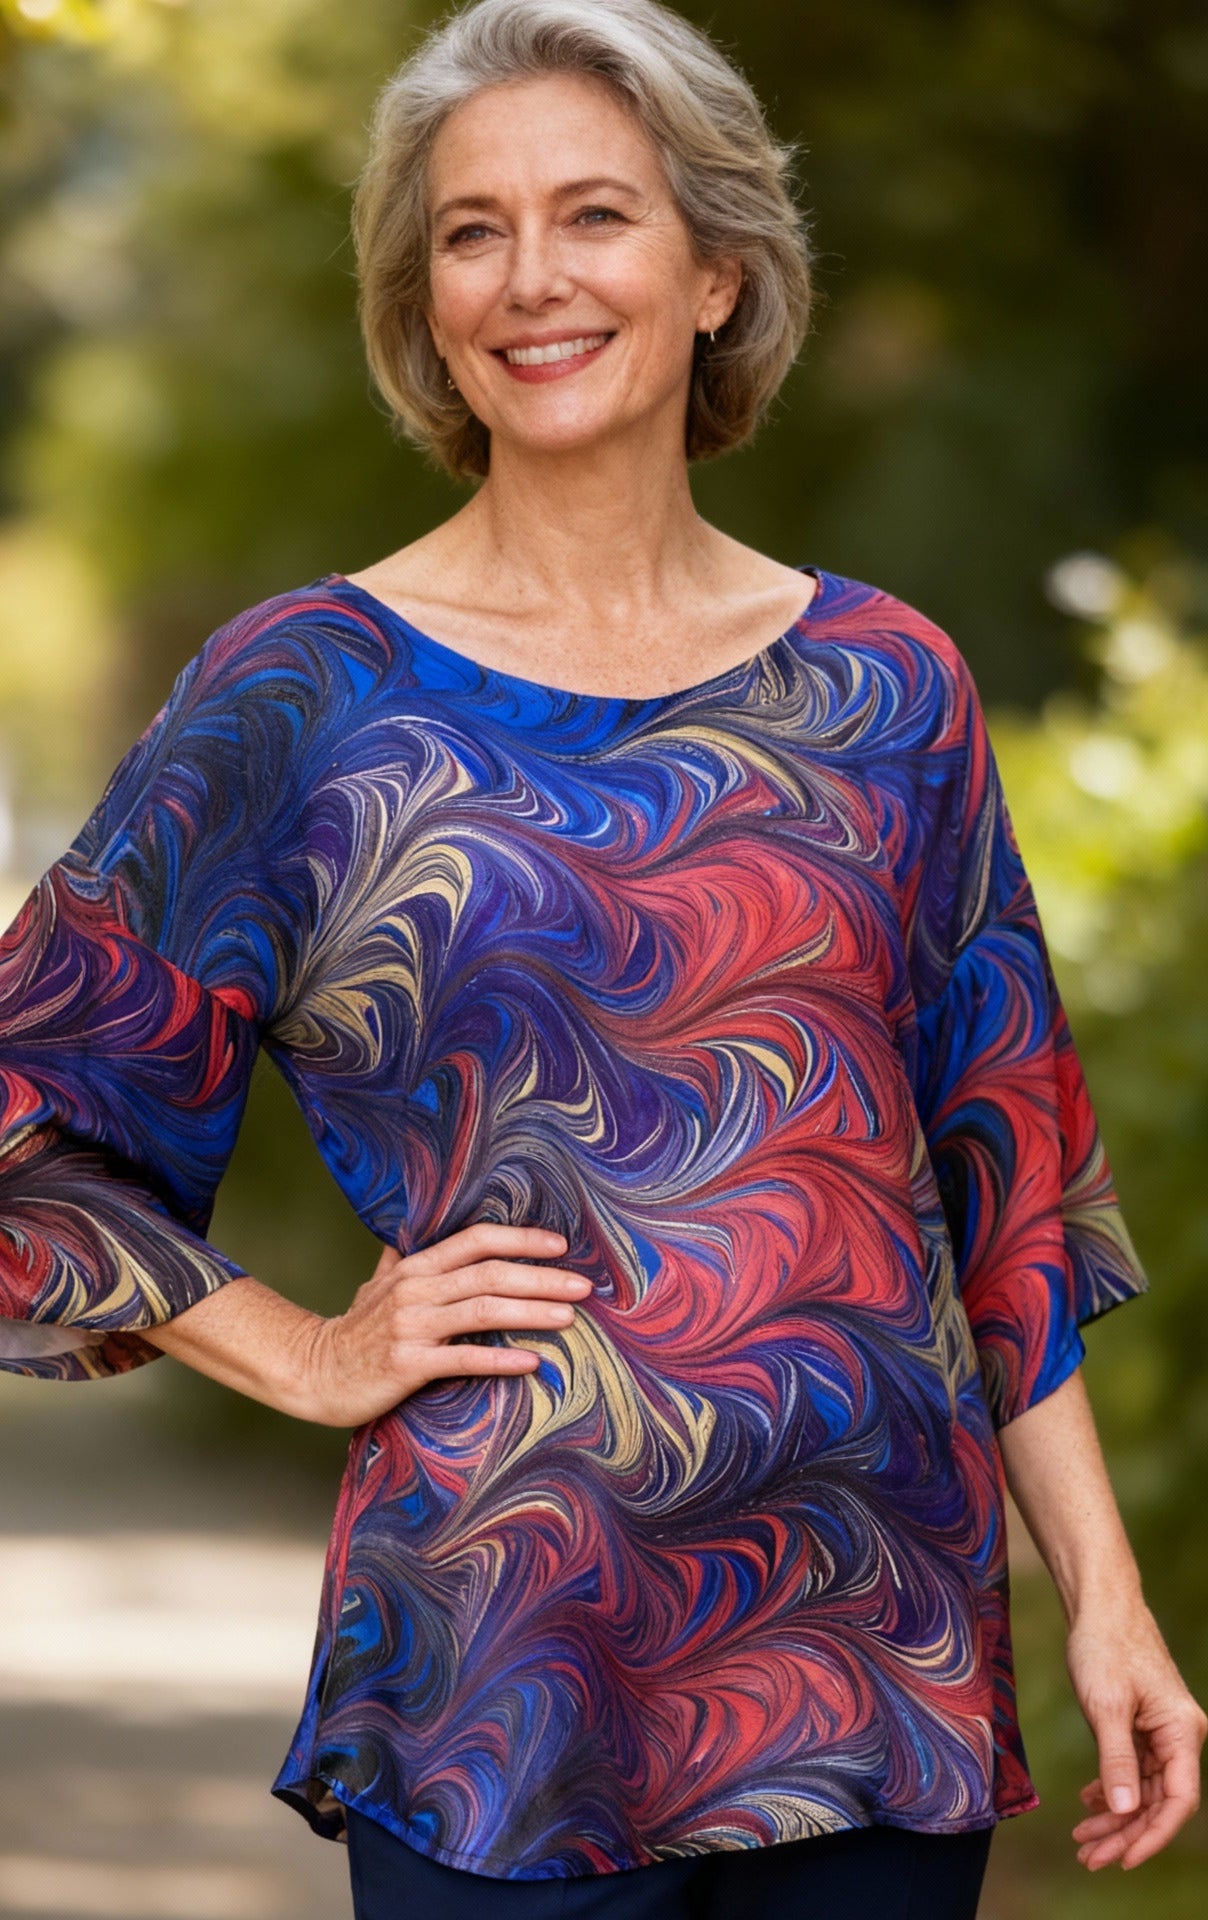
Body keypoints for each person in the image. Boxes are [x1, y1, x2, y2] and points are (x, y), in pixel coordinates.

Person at [0, 0, 1203, 1914]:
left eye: (595, 216)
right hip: (503, 1661)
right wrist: (310, 1350)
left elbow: (1010, 1186)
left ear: (721, 271)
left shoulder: (888, 688)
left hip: (873, 1642)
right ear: (423, 299)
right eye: (470, 230)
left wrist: (1112, 1608)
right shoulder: (309, 697)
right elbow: (29, 1112)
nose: (531, 280)